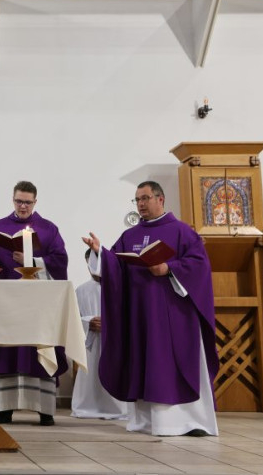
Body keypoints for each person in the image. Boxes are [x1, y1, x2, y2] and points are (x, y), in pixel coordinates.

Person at [82, 181, 219, 437]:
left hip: (174, 315)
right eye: (137, 200)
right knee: (145, 364)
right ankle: (147, 422)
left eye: (145, 198)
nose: (141, 204)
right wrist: (101, 253)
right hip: (141, 316)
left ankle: (188, 422)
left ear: (160, 199)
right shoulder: (130, 236)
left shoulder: (182, 232)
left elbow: (199, 266)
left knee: (172, 364)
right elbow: (116, 267)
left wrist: (168, 268)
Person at [0, 180, 69, 426]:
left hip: (38, 305)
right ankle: (4, 409)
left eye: (27, 202)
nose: (23, 206)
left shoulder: (48, 229)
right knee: (7, 351)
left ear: (35, 202)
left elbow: (60, 261)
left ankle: (44, 410)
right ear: (13, 200)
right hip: (8, 303)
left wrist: (32, 261)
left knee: (38, 351)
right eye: (19, 201)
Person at [70, 249, 128, 420]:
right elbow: (73, 320)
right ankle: (88, 406)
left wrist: (111, 323)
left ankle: (117, 408)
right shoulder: (81, 290)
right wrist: (88, 322)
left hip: (115, 341)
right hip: (91, 342)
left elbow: (130, 315)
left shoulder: (121, 287)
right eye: (90, 263)